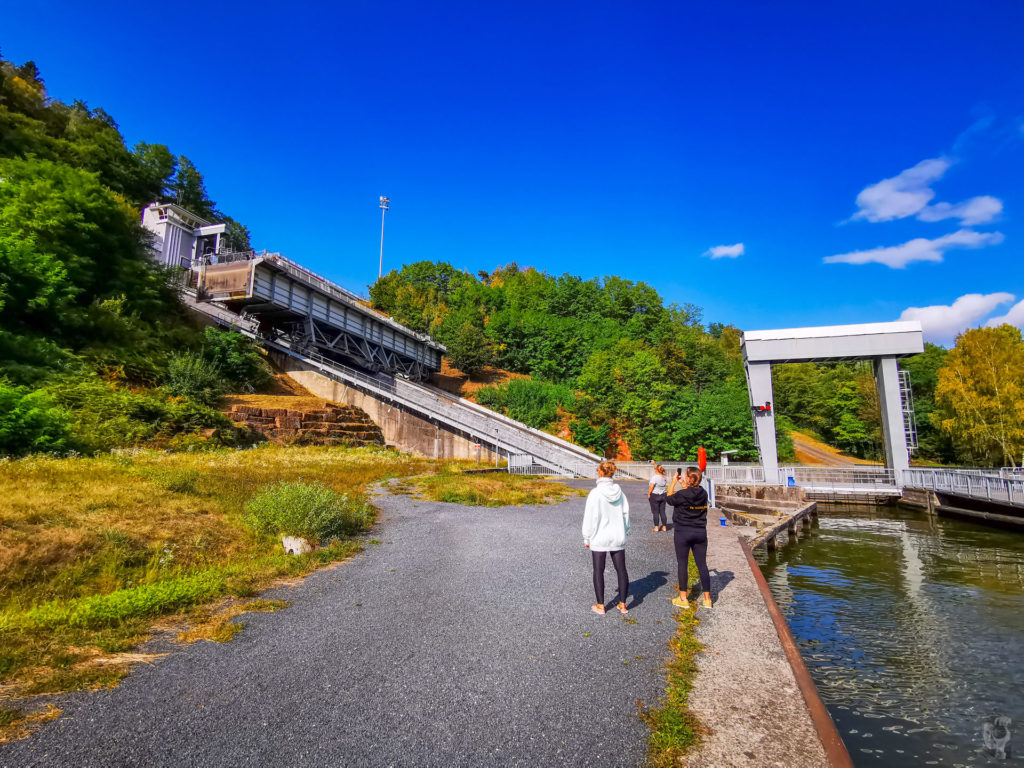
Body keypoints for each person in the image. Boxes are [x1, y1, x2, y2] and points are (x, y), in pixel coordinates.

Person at [582, 460, 631, 615]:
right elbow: (626, 514)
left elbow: (590, 517)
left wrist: (587, 537)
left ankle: (601, 606)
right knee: (621, 570)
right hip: (617, 536)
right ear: (612, 473)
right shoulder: (620, 492)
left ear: (600, 472)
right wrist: (626, 531)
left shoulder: (595, 493)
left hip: (599, 537)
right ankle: (623, 605)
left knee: (598, 570)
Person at [666, 466, 712, 609]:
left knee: (682, 563)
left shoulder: (682, 494)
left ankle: (683, 598)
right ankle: (707, 599)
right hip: (700, 532)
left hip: (683, 532)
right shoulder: (703, 493)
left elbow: (669, 499)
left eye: (686, 476)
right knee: (702, 565)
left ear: (690, 478)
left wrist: (673, 482)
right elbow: (692, 494)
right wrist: (685, 485)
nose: (684, 477)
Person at [648, 464, 668, 531]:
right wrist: (654, 463)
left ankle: (656, 527)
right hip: (663, 495)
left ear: (656, 470)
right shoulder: (664, 477)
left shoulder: (655, 477)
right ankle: (664, 527)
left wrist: (649, 494)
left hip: (655, 495)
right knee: (662, 511)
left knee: (655, 512)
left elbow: (651, 487)